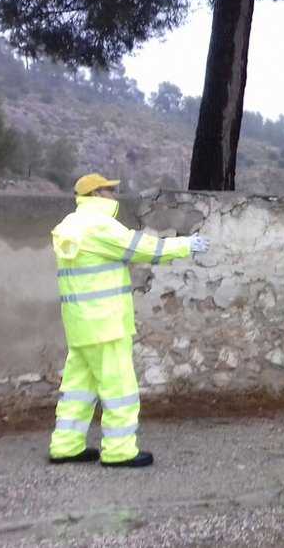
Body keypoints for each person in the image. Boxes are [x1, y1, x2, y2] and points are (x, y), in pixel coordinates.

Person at [49, 174, 210, 468]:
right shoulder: (100, 226)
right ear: (97, 193)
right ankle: (119, 450)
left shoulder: (69, 225)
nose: (115, 195)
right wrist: (187, 245)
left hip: (80, 325)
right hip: (106, 324)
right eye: (111, 190)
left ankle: (65, 445)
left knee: (77, 388)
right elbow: (142, 248)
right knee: (119, 389)